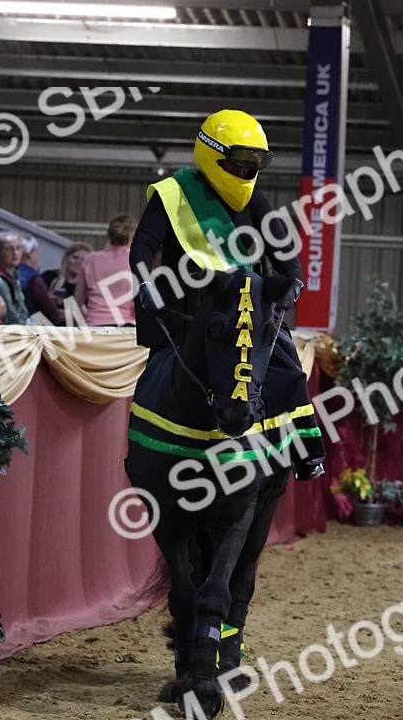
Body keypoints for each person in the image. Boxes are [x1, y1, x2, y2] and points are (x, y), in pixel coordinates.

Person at [129, 109, 325, 479]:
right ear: (212, 154)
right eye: (240, 163)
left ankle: (304, 449)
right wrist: (144, 283)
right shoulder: (173, 194)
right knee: (155, 377)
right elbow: (142, 245)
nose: (247, 173)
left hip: (247, 309)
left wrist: (293, 286)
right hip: (189, 310)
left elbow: (287, 257)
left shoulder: (255, 201)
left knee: (289, 365)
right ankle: (142, 446)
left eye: (255, 164)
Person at [74, 213, 136, 326]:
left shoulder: (90, 259)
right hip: (126, 326)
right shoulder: (135, 261)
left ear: (108, 235)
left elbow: (77, 302)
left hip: (95, 324)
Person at [0, 231, 30, 324]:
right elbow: (11, 318)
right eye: (8, 248)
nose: (15, 252)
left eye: (18, 248)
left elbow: (23, 311)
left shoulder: (14, 274)